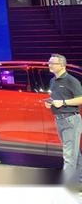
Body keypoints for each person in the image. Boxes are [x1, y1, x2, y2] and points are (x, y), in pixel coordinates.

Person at [44, 53, 82, 185]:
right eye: (49, 62)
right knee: (73, 153)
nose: (49, 65)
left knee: (69, 155)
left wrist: (63, 102)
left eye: (52, 63)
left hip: (70, 120)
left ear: (62, 65)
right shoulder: (53, 81)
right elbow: (56, 99)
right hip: (59, 120)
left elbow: (80, 99)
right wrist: (50, 103)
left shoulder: (71, 81)